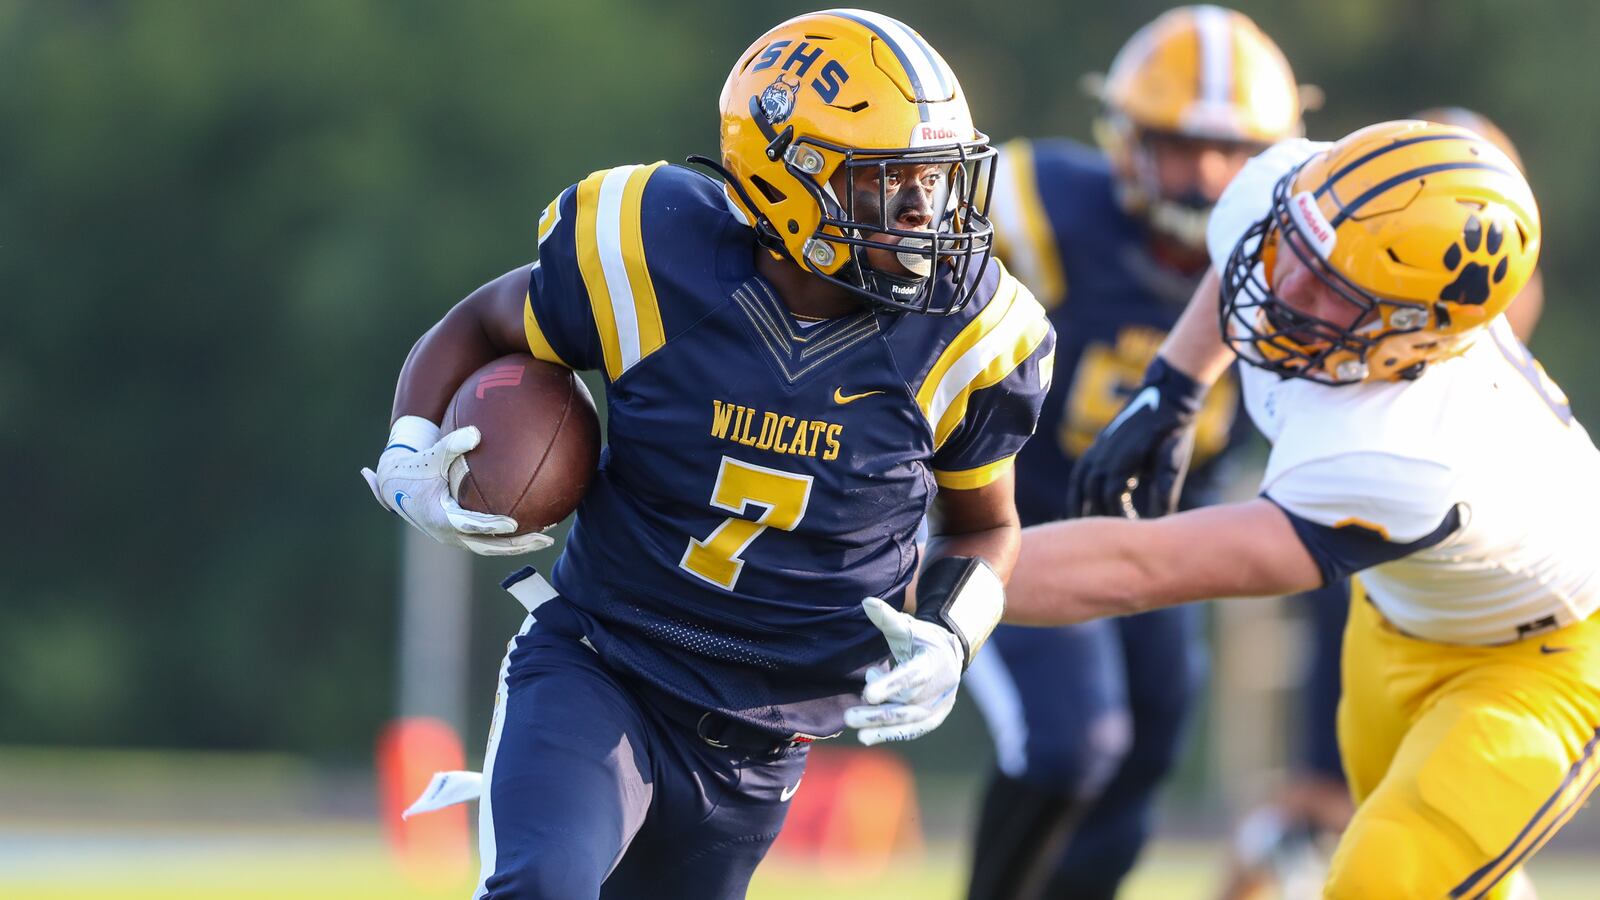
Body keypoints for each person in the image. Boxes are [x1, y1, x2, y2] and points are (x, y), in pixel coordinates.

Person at [359, 10, 1055, 899]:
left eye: (936, 179)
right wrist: (413, 445)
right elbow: (488, 319)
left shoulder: (973, 337)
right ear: (786, 181)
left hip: (763, 741)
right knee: (544, 886)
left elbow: (988, 525)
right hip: (604, 664)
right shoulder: (655, 255)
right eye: (891, 183)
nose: (926, 211)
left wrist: (957, 634)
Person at [1002, 119, 1599, 899]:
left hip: (1542, 666)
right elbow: (1245, 243)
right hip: (1395, 623)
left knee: (1381, 879)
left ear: (1410, 336)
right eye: (1296, 248)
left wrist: (895, 574)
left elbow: (1138, 566)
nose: (1286, 290)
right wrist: (1174, 385)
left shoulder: (1404, 451)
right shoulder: (1300, 191)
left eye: (1332, 290)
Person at [961, 8, 1310, 898]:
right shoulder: (1040, 204)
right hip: (1016, 512)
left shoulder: (1296, 253)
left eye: (1234, 150)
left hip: (1160, 531)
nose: (1209, 175)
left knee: (1148, 742)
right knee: (1073, 739)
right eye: (1183, 145)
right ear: (1125, 137)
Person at [1211, 107, 1547, 900]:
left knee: (1352, 823)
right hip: (1378, 598)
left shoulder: (1422, 433)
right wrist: (1177, 381)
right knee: (1320, 812)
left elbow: (1143, 566)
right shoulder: (1296, 208)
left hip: (1496, 629)